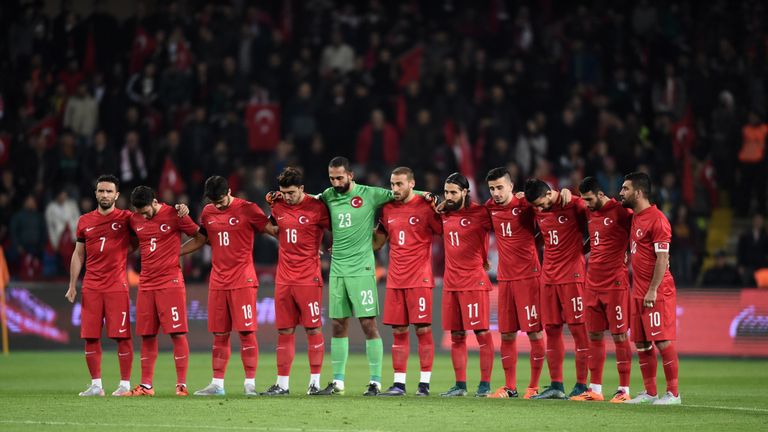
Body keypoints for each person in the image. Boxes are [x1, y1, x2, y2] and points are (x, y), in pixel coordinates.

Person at [313, 157, 400, 396]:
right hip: (338, 269)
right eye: (332, 178)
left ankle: (375, 382)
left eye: (340, 177)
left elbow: (401, 192)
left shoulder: (370, 194)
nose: (335, 182)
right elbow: (308, 202)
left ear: (351, 175)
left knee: (368, 324)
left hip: (362, 269)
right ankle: (338, 383)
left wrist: (427, 196)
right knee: (338, 325)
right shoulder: (328, 195)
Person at [181, 176, 272, 396]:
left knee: (246, 333)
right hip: (218, 282)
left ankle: (250, 383)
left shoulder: (248, 209)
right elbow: (201, 238)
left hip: (243, 280)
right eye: (214, 201)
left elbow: (273, 230)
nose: (218, 205)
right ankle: (217, 384)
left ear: (230, 191)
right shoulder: (208, 212)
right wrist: (172, 253)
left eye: (221, 201)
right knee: (219, 334)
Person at [126, 186, 204, 397]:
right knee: (147, 335)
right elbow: (132, 241)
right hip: (146, 284)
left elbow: (200, 237)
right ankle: (146, 386)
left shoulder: (174, 214)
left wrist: (177, 252)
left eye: (146, 211)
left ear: (155, 201)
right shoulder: (134, 219)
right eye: (140, 212)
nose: (143, 215)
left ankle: (181, 385)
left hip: (170, 283)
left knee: (177, 333)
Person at [260, 168, 330, 396]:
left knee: (313, 329)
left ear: (301, 188)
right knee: (285, 331)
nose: (286, 197)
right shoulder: (277, 203)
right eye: (283, 192)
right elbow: (271, 225)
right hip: (284, 279)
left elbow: (338, 229)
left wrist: (326, 248)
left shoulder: (318, 207)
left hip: (308, 279)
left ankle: (315, 384)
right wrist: (280, 234)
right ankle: (282, 384)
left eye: (291, 192)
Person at [373, 166, 442, 396]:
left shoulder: (426, 207)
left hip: (419, 278)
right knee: (398, 331)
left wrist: (432, 200)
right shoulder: (387, 209)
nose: (394, 188)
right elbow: (378, 242)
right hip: (395, 279)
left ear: (412, 184)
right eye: (392, 184)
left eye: (399, 184)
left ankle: (424, 385)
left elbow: (444, 230)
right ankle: (399, 384)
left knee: (423, 329)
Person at [66, 175, 134, 397]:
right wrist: (72, 285)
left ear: (117, 195)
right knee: (91, 336)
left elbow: (148, 226)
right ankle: (96, 385)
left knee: (122, 336)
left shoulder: (127, 218)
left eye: (109, 191)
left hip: (117, 286)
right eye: (101, 191)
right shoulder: (84, 221)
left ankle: (124, 385)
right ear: (95, 193)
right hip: (92, 286)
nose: (104, 195)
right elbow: (78, 254)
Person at [524, 178, 590, 399]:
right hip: (548, 276)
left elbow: (596, 223)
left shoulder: (575, 204)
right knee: (551, 329)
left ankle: (581, 385)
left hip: (572, 276)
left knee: (578, 329)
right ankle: (556, 385)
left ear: (549, 193)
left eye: (540, 204)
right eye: (534, 206)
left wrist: (580, 252)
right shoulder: (536, 208)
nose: (539, 209)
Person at [483, 167, 545, 399]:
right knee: (507, 334)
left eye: (500, 187)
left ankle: (533, 387)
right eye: (492, 188)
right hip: (505, 280)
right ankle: (510, 387)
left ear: (511, 186)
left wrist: (566, 193)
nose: (496, 193)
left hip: (529, 278)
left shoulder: (526, 206)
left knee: (534, 333)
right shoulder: (489, 207)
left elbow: (549, 215)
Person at [620, 172, 681, 405]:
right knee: (642, 343)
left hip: (657, 291)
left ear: (638, 192)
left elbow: (662, 259)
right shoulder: (635, 216)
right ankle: (650, 392)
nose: (621, 192)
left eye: (625, 189)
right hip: (638, 290)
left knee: (662, 341)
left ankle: (673, 394)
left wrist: (653, 289)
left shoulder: (658, 220)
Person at [571, 177, 633, 403]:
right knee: (594, 336)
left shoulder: (621, 212)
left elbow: (641, 233)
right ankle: (595, 389)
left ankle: (624, 390)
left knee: (619, 336)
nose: (586, 204)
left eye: (589, 199)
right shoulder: (590, 210)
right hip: (592, 284)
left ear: (600, 194)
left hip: (615, 285)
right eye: (584, 200)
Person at [439, 172, 495, 397]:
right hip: (451, 283)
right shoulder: (442, 213)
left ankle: (485, 384)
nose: (449, 196)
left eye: (454, 192)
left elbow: (504, 212)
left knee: (482, 333)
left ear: (465, 192)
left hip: (474, 282)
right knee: (457, 335)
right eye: (446, 192)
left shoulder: (481, 213)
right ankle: (460, 385)